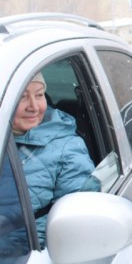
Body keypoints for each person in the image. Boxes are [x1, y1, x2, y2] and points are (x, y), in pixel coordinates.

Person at [0, 72, 98, 257]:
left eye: (39, 95)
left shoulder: (68, 148)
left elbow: (76, 219)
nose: (34, 107)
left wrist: (9, 242)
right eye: (22, 97)